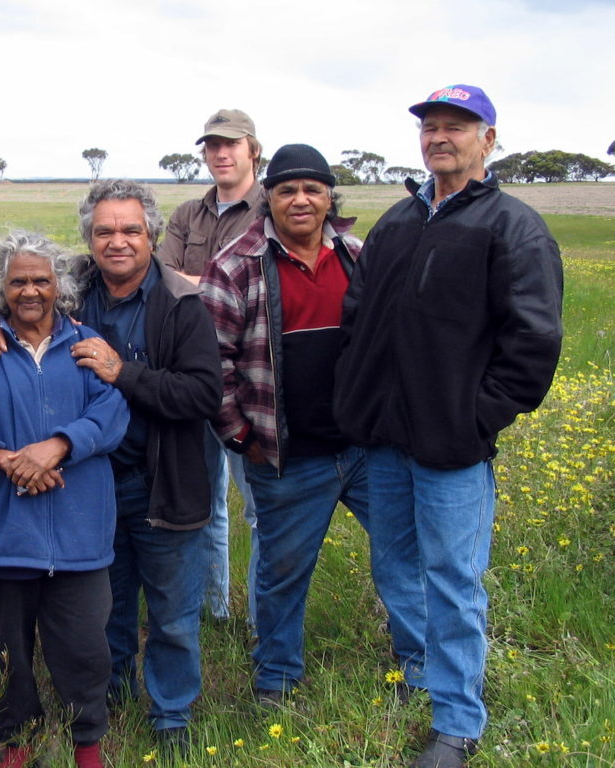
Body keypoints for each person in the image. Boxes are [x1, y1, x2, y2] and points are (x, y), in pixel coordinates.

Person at [333, 85, 563, 768]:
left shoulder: (512, 227)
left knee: (454, 581)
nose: (440, 138)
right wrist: (359, 392)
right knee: (395, 565)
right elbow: (358, 316)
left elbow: (534, 344)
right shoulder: (399, 222)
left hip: (453, 447)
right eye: (431, 127)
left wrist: (477, 418)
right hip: (385, 439)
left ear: (488, 140)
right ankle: (420, 672)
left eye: (456, 127)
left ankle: (458, 724)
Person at [200, 143, 398, 707]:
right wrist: (242, 439)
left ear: (330, 196)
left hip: (366, 450)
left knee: (402, 560)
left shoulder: (360, 255)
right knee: (282, 576)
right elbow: (214, 365)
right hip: (287, 457)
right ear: (270, 198)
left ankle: (420, 667)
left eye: (313, 188)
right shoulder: (236, 264)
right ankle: (277, 681)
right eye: (287, 190)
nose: (301, 200)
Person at [0, 231, 129, 768]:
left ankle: (88, 748)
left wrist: (57, 447)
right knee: (8, 657)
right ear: (1, 288)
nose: (31, 291)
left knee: (86, 653)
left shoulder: (87, 347)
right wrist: (8, 460)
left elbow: (112, 417)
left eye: (42, 280)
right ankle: (16, 747)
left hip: (78, 534)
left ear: (59, 286)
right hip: (2, 535)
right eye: (18, 281)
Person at [71, 180, 222, 754]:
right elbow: (15, 292)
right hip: (90, 489)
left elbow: (203, 395)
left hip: (162, 488)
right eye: (105, 230)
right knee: (103, 606)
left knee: (174, 614)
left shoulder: (182, 303)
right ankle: (112, 695)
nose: (118, 241)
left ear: (152, 235)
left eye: (130, 229)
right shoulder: (69, 295)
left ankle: (172, 715)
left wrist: (122, 373)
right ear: (89, 237)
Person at [158, 108, 263, 623]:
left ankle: (262, 620)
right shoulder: (186, 215)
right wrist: (222, 289)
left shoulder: (272, 209)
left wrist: (195, 282)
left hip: (250, 380)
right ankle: (212, 609)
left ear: (252, 150)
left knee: (262, 508)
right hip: (193, 374)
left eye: (230, 144)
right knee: (204, 503)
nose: (220, 154)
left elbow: (262, 294)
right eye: (212, 146)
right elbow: (164, 278)